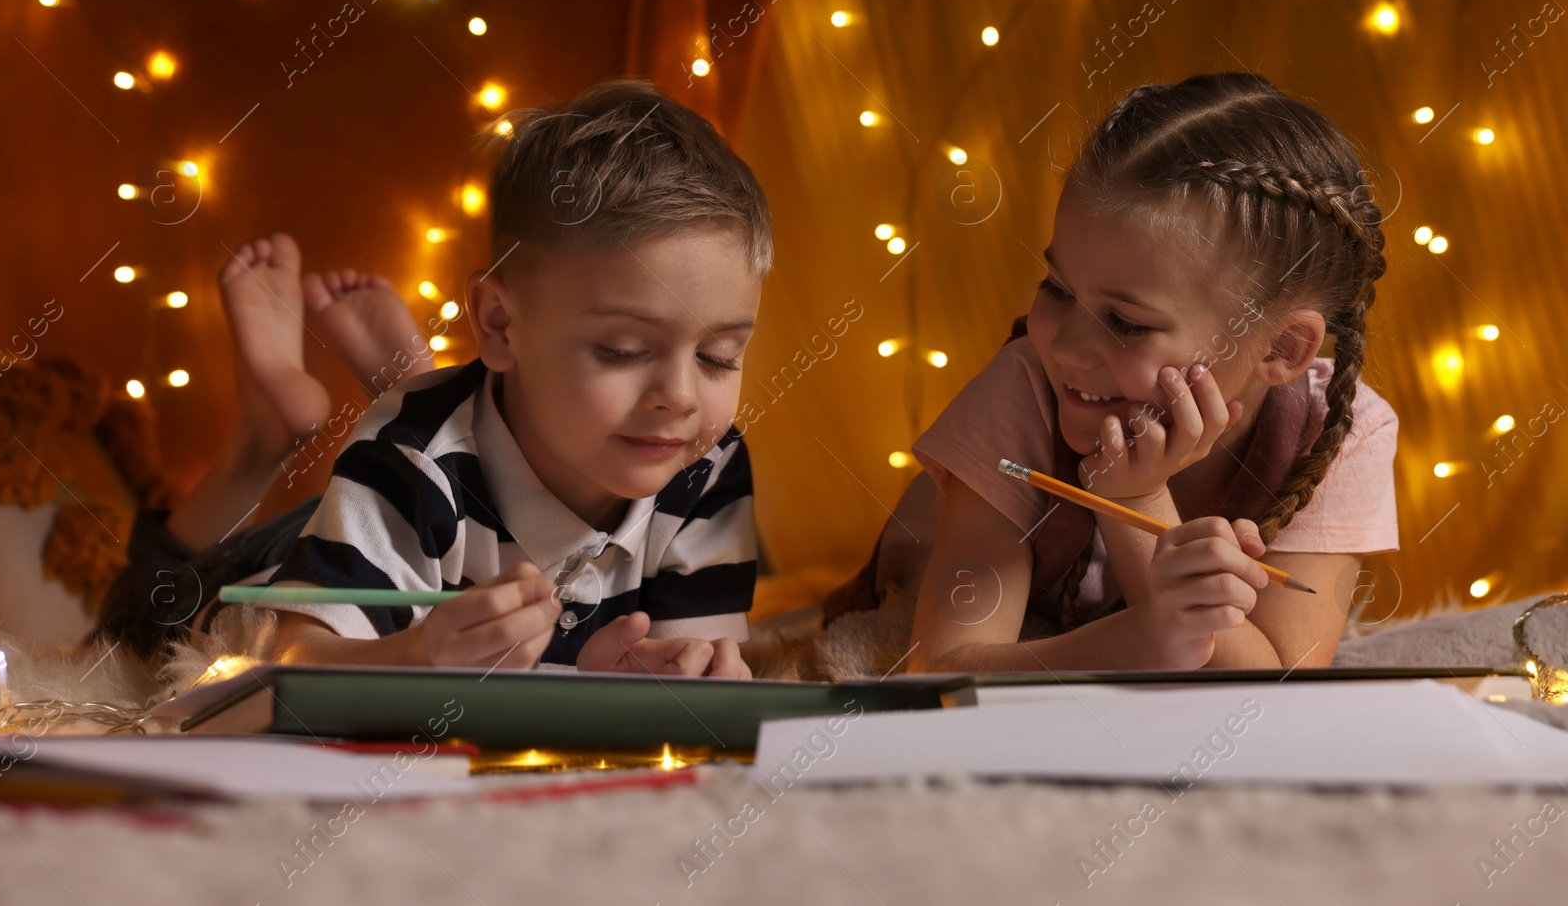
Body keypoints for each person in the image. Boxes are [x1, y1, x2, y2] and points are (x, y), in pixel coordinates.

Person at [867, 72, 1398, 673]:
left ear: (1281, 347)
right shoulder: (1022, 390)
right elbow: (942, 667)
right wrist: (1146, 638)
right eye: (1057, 288)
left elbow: (1280, 682)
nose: (1066, 346)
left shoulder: (1343, 432)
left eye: (1126, 322)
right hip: (930, 545)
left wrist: (1135, 501)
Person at [257, 79, 770, 677]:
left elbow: (696, 668)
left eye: (719, 357)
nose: (680, 399)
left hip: (460, 459)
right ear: (499, 323)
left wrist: (656, 680)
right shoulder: (409, 460)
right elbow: (295, 659)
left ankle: (428, 379)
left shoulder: (707, 467)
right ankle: (263, 434)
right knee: (162, 590)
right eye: (622, 350)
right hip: (273, 559)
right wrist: (420, 654)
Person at [95, 234, 440, 658]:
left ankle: (262, 440)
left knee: (132, 618)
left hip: (271, 588)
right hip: (414, 558)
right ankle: (425, 441)